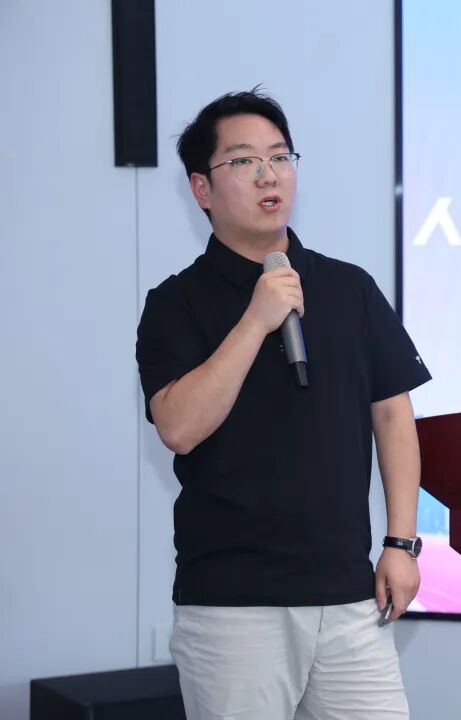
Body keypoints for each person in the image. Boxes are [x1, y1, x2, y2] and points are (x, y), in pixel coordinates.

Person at [135, 88, 430, 719]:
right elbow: (179, 428)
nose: (269, 174)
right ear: (201, 188)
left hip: (349, 596)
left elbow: (392, 414)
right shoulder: (175, 304)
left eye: (280, 156)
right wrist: (256, 319)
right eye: (244, 161)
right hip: (233, 607)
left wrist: (402, 543)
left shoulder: (349, 288)